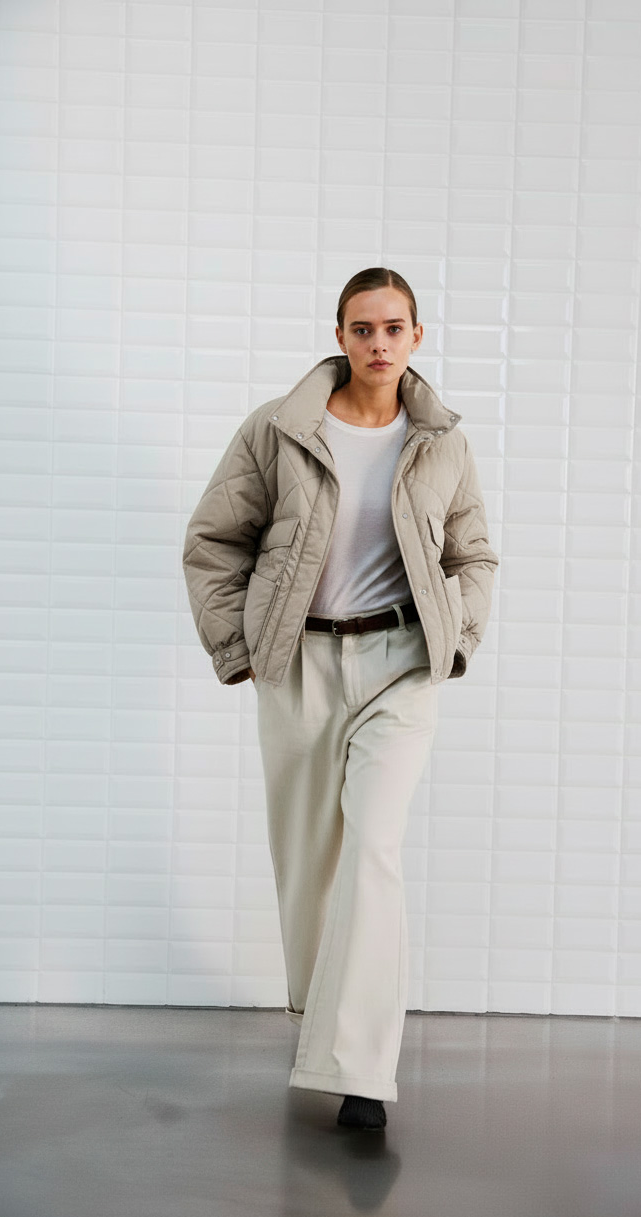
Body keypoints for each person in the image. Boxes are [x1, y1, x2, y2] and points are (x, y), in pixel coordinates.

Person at [182, 267, 498, 1130]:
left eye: (394, 328)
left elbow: (472, 554)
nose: (379, 344)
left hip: (401, 662)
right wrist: (239, 648)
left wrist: (457, 639)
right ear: (340, 336)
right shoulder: (279, 429)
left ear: (417, 336)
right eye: (363, 329)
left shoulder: (442, 442)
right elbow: (214, 540)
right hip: (300, 664)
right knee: (308, 869)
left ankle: (361, 1073)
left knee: (374, 847)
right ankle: (321, 1020)